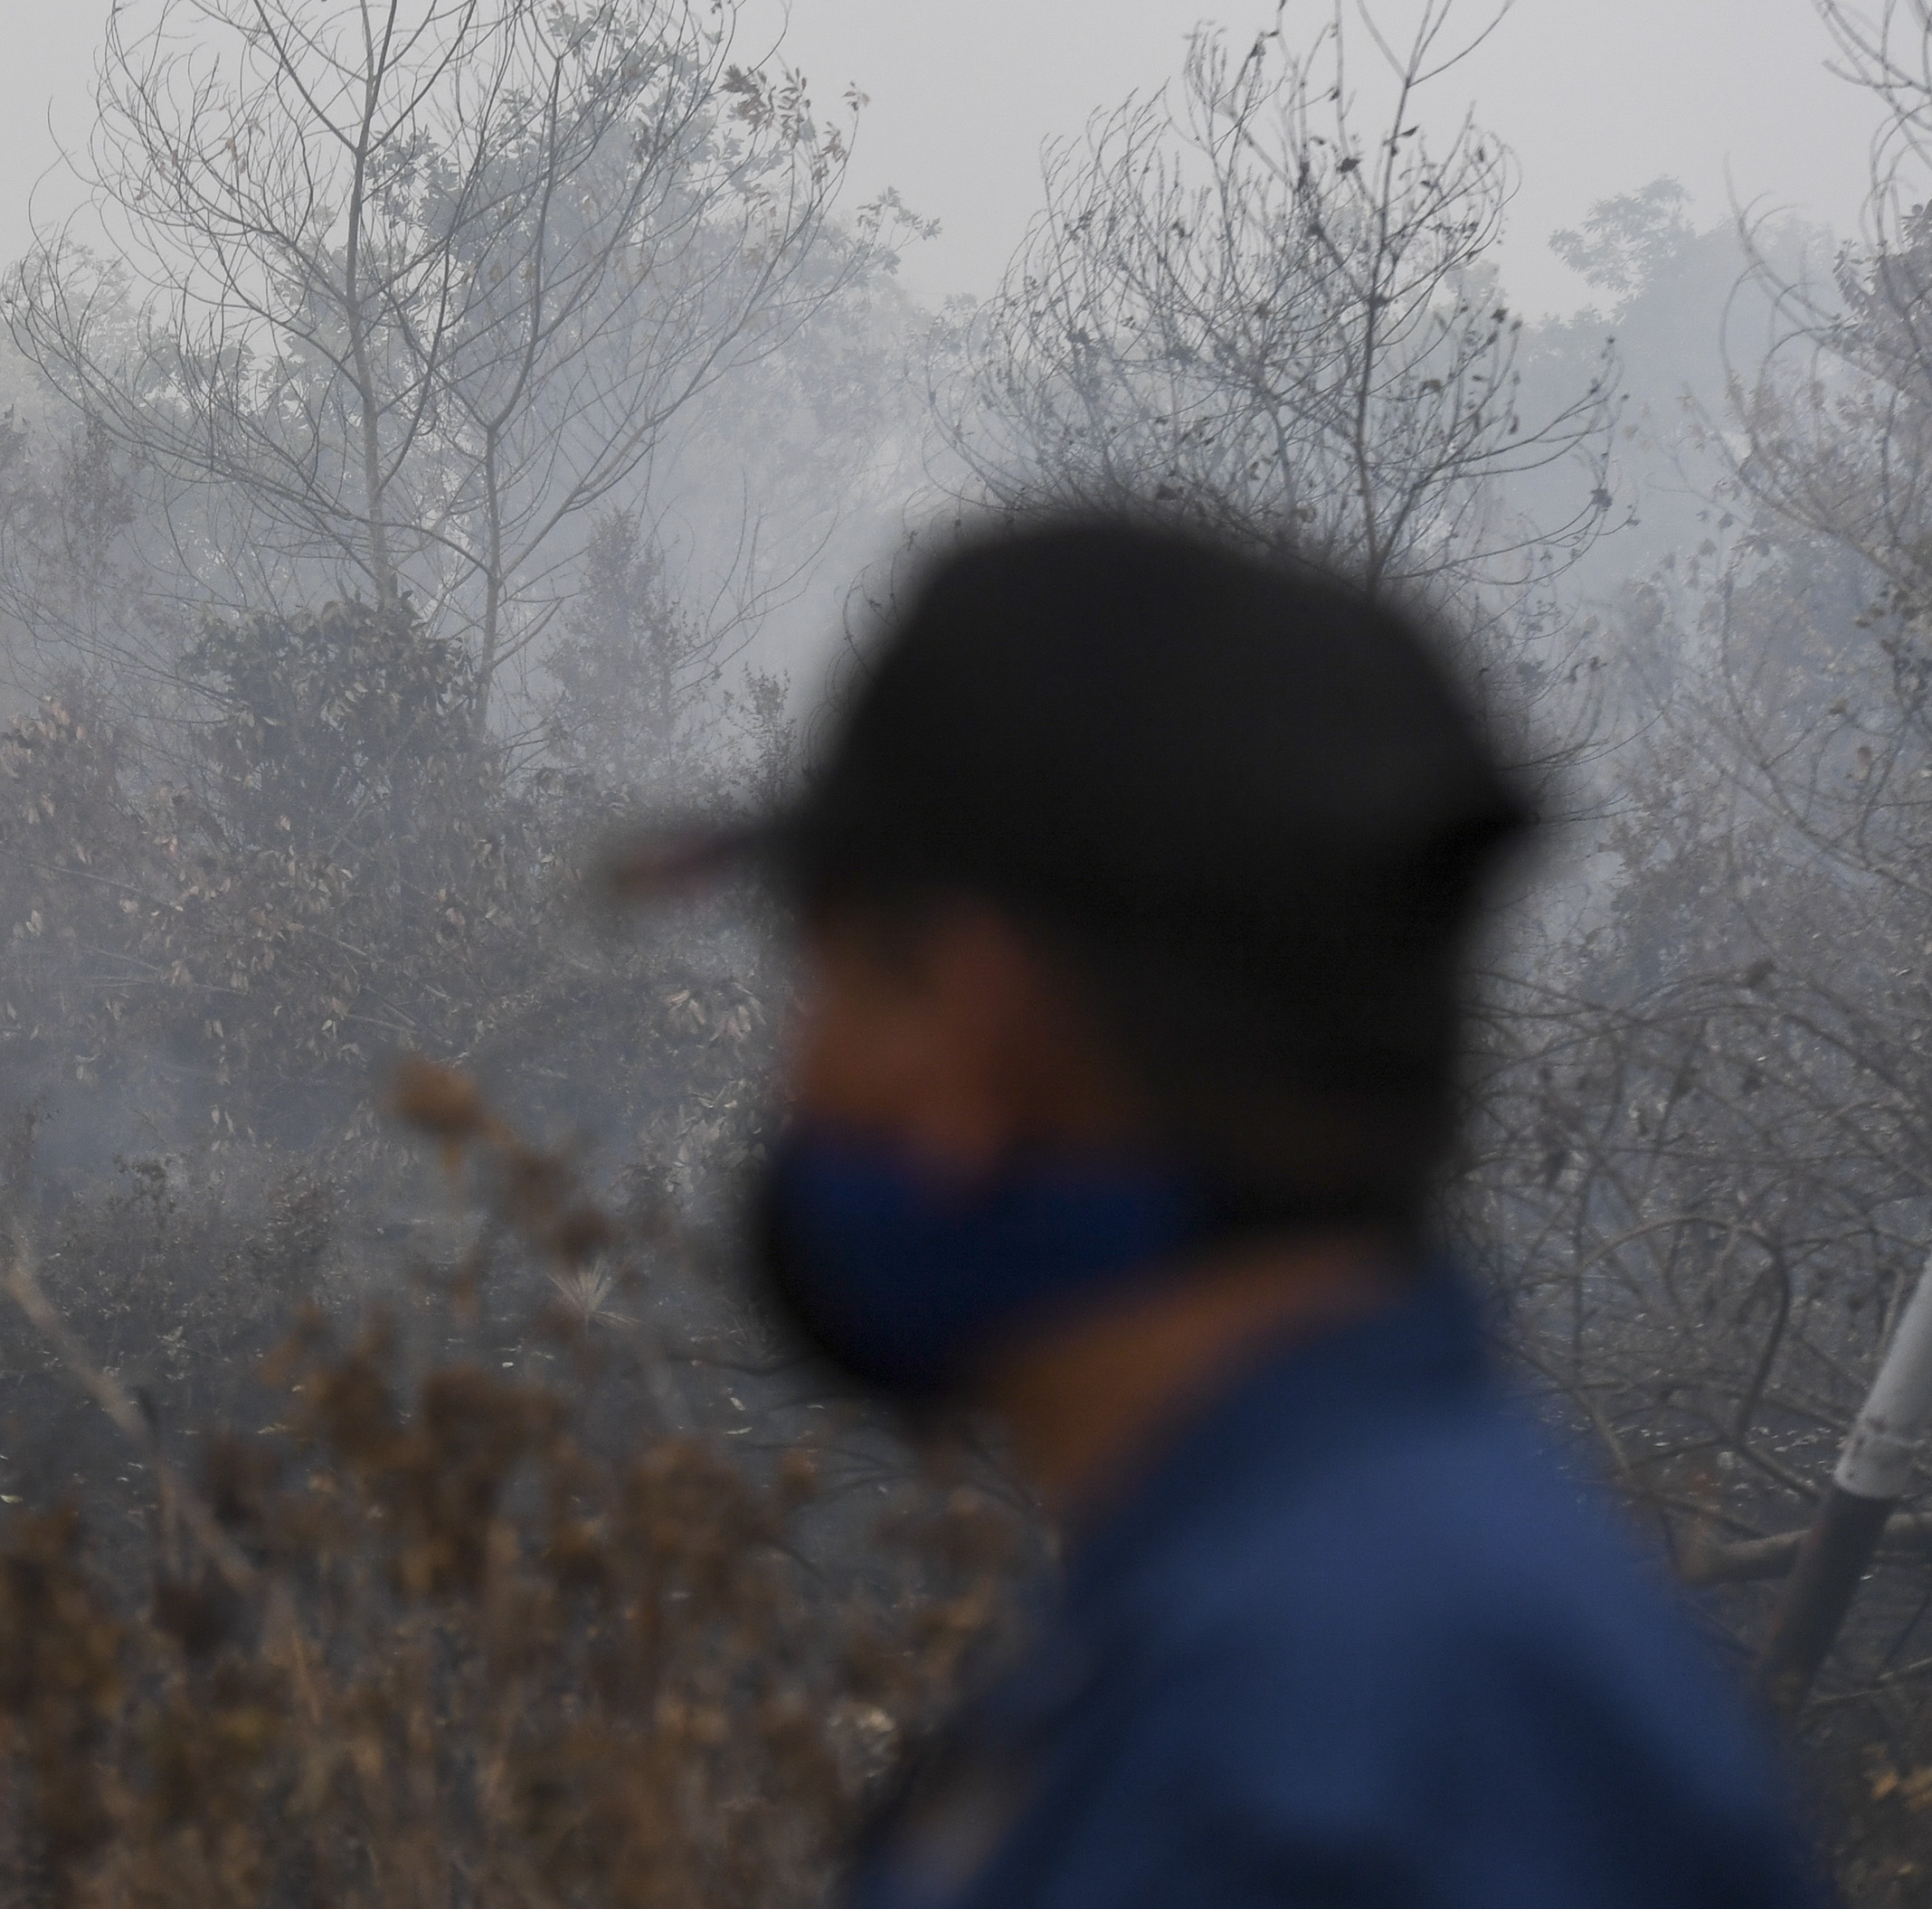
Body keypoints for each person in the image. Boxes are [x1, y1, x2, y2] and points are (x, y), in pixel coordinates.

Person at [639, 516, 1824, 1909]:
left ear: (972, 1034)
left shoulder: (1289, 1763)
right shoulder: (1364, 1616)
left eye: (832, 981)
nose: (799, 1067)